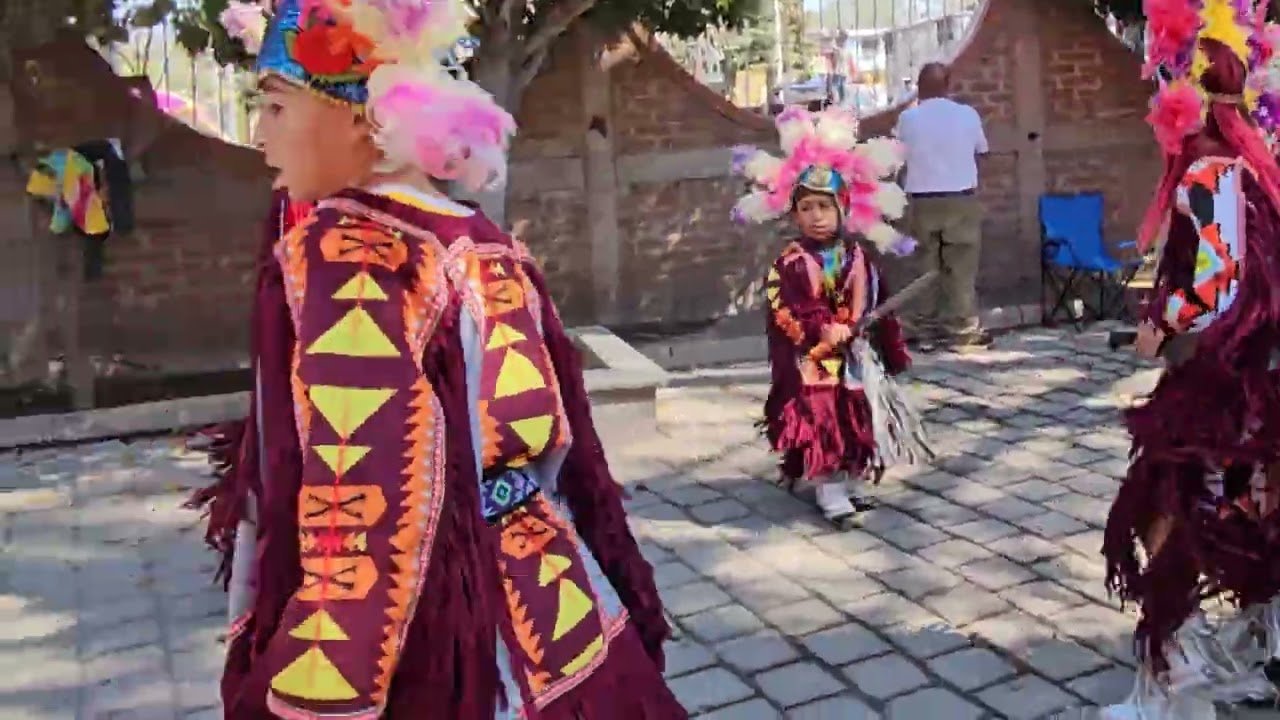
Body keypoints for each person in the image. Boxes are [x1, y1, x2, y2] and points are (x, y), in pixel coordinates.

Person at [186, 0, 683, 717]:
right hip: (552, 583)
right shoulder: (483, 236)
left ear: (358, 115)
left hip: (440, 626)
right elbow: (568, 450)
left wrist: (312, 691)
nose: (259, 136)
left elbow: (367, 498)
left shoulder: (350, 246)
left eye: (274, 107)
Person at [1101, 2, 1280, 716]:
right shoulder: (1260, 166)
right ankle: (1258, 656)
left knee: (1165, 512)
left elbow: (1215, 281)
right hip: (1263, 378)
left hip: (1220, 380)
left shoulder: (1207, 169)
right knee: (1253, 509)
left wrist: (1160, 324)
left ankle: (1176, 685)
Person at [731, 106, 931, 529]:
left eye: (824, 206)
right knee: (821, 418)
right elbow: (786, 306)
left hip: (854, 357)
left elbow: (879, 298)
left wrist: (887, 346)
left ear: (844, 207)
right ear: (794, 213)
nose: (816, 215)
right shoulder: (792, 261)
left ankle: (848, 477)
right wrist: (823, 326)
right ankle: (828, 487)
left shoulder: (858, 256)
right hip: (813, 361)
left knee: (854, 414)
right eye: (806, 208)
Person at [894, 62, 990, 349]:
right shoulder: (967, 114)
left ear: (919, 88)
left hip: (922, 200)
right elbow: (982, 151)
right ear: (948, 85)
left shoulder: (908, 118)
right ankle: (962, 330)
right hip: (960, 198)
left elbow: (897, 156)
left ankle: (923, 330)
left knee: (925, 267)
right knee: (961, 267)